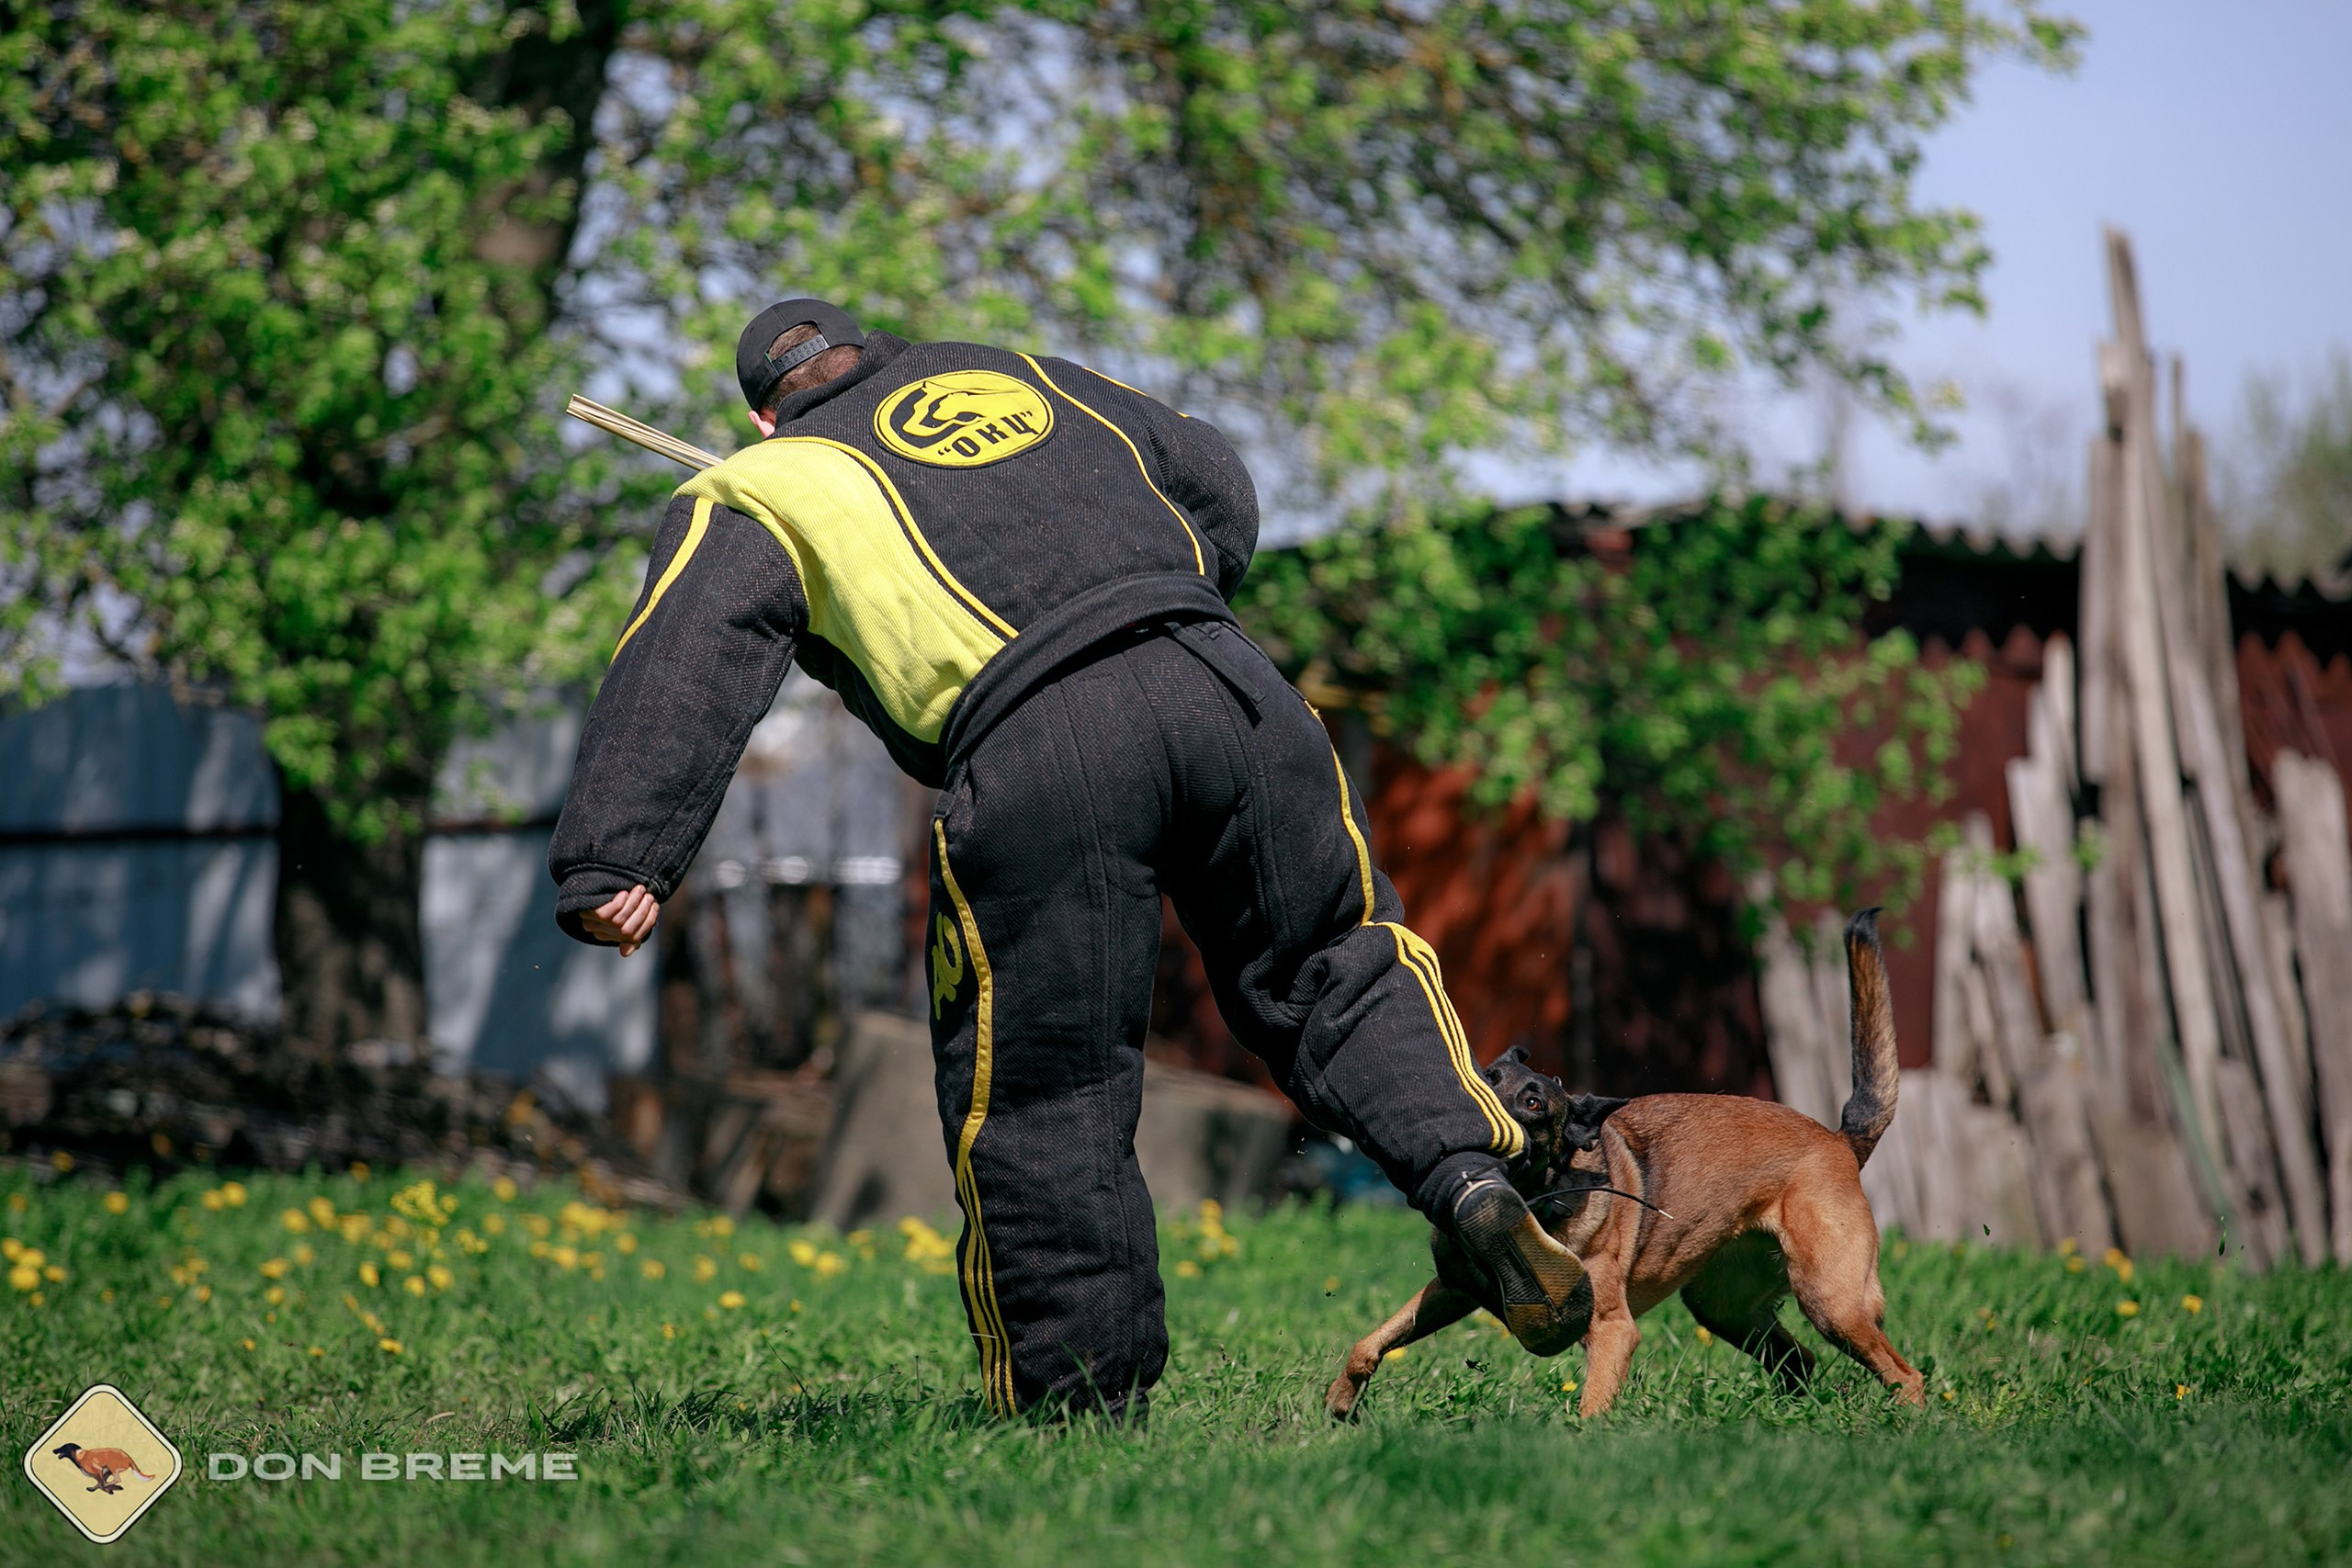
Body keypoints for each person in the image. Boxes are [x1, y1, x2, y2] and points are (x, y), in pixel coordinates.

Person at [548, 299, 1591, 1418]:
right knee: (1337, 959)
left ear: (761, 416)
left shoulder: (769, 481)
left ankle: (1077, 1404)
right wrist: (1160, 596)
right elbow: (1213, 477)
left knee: (1048, 1082)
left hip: (1041, 742)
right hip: (1230, 685)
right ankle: (1474, 1176)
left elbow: (685, 653)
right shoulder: (1032, 378)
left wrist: (616, 856)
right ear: (882, 351)